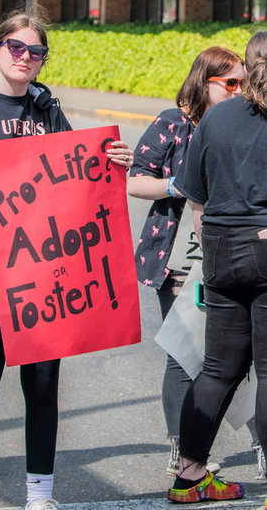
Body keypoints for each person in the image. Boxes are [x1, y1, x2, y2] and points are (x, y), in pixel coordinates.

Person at [0, 4, 133, 510]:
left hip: (44, 278)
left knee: (43, 386)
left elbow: (78, 184)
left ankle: (39, 496)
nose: (26, 57)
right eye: (17, 48)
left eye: (36, 52)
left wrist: (113, 163)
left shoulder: (47, 111)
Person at [127, 46, 246, 477]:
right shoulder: (174, 123)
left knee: (238, 356)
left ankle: (245, 447)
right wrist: (178, 186)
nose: (239, 91)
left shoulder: (244, 122)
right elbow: (136, 182)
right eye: (230, 83)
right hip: (178, 254)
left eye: (244, 82)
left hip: (231, 250)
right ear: (205, 82)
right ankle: (181, 450)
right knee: (183, 355)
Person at [166, 31, 267, 505]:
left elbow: (194, 192)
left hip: (222, 250)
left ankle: (188, 477)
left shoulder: (218, 117)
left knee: (218, 370)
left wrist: (212, 242)